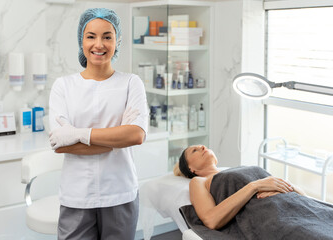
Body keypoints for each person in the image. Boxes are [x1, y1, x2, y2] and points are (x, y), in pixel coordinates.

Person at [48, 8, 148, 240]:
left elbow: (135, 136)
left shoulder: (131, 83)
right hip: (77, 194)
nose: (99, 44)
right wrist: (112, 140)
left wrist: (77, 133)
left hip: (120, 192)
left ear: (117, 41)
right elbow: (60, 144)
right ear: (81, 41)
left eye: (107, 36)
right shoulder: (63, 86)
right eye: (91, 36)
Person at [174, 145, 333, 239]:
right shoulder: (199, 182)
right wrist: (254, 186)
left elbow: (303, 196)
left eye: (202, 146)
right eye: (194, 151)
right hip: (273, 217)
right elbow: (211, 220)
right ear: (191, 169)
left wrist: (286, 187)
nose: (202, 147)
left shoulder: (240, 167)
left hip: (302, 206)